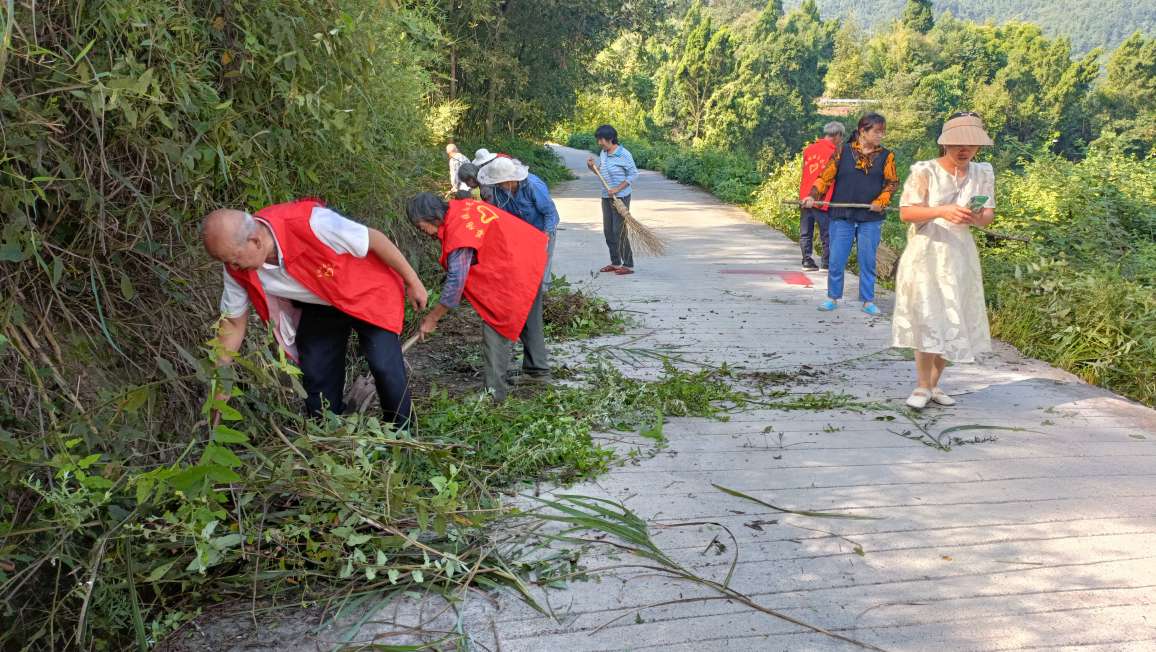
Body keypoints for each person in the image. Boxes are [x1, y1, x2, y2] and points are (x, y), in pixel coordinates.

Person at [202, 199, 427, 428]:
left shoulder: (313, 223)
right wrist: (220, 382)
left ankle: (401, 433)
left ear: (255, 241)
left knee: (383, 363)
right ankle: (328, 431)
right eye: (226, 262)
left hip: (366, 291)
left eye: (234, 260)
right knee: (316, 368)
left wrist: (413, 281)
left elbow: (375, 239)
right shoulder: (235, 267)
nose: (233, 267)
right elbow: (233, 323)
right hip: (319, 301)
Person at [892, 113, 996, 409]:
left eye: (970, 145)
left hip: (960, 252)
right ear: (945, 144)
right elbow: (907, 212)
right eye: (957, 144)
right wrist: (942, 210)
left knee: (955, 315)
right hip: (928, 251)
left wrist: (974, 216)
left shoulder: (982, 173)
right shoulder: (925, 171)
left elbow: (987, 216)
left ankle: (935, 384)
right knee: (928, 315)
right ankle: (922, 385)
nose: (964, 150)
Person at [406, 193, 549, 400]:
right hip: (528, 255)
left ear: (432, 217)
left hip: (515, 266)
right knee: (528, 315)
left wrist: (433, 317)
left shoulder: (459, 231)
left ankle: (493, 393)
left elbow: (456, 281)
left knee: (496, 324)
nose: (421, 231)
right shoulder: (460, 209)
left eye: (420, 225)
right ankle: (538, 371)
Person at [802, 112, 899, 315]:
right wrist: (812, 196)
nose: (881, 135)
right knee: (836, 259)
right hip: (841, 214)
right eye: (877, 131)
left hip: (870, 218)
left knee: (867, 260)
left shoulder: (886, 156)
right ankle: (833, 297)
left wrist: (881, 201)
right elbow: (824, 178)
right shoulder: (842, 151)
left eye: (883, 132)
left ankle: (867, 300)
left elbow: (891, 183)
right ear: (863, 131)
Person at [478, 157, 560, 297]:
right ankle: (525, 295)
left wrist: (544, 237)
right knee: (523, 265)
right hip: (521, 231)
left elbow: (550, 213)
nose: (496, 185)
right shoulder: (499, 190)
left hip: (542, 228)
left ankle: (544, 296)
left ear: (509, 180)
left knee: (542, 265)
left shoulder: (533, 186)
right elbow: (500, 215)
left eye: (499, 182)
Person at [586, 124, 639, 275]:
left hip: (620, 197)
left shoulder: (624, 154)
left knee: (619, 230)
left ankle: (628, 264)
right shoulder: (603, 153)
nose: (599, 143)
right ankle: (616, 262)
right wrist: (591, 167)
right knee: (608, 231)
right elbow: (601, 173)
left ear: (610, 138)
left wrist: (617, 189)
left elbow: (634, 174)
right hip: (606, 196)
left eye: (601, 139)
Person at [798, 122, 846, 271]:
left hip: (805, 196)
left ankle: (807, 261)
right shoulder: (836, 153)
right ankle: (827, 263)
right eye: (841, 137)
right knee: (828, 232)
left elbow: (805, 172)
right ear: (837, 135)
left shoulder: (809, 149)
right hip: (823, 197)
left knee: (806, 231)